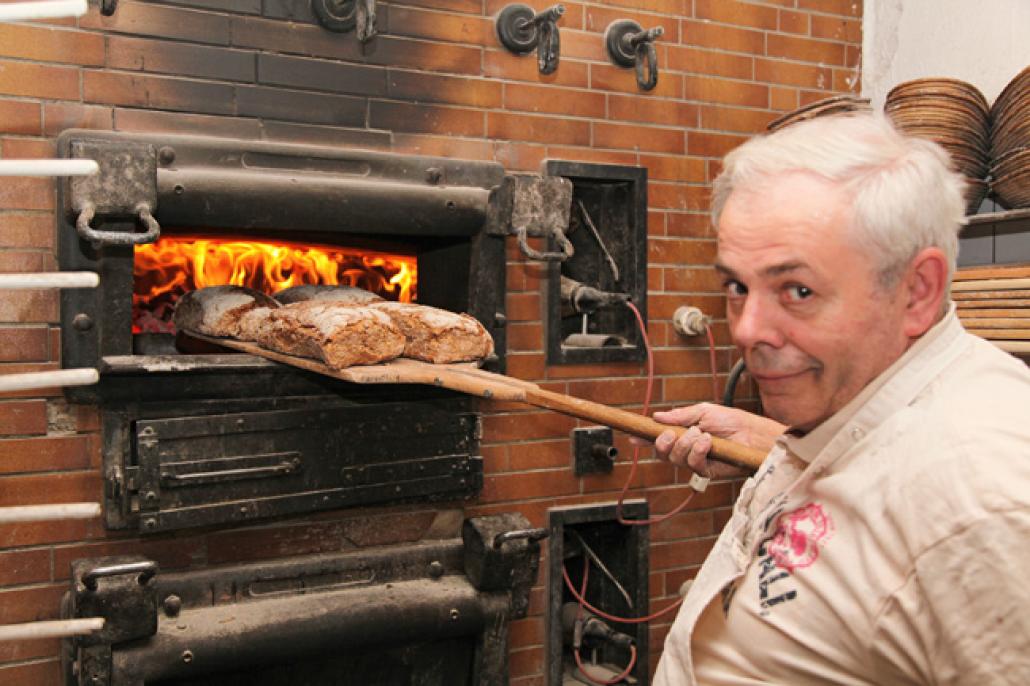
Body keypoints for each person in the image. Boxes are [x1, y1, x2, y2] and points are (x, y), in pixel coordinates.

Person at [650, 113, 1030, 685]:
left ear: (916, 291)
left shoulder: (981, 499)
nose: (748, 329)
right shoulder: (857, 402)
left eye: (797, 290)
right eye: (737, 287)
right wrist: (780, 445)